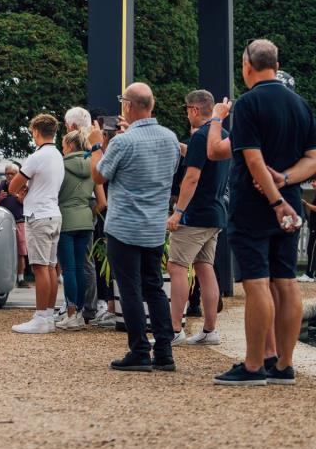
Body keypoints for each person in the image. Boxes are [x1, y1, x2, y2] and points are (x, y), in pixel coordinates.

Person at [208, 39, 316, 386]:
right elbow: (312, 160)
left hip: (255, 208)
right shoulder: (301, 106)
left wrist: (274, 199)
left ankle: (254, 364)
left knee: (257, 284)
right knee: (285, 283)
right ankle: (284, 364)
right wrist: (286, 183)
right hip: (291, 204)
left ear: (247, 66)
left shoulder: (248, 104)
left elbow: (253, 160)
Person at [88, 82, 180, 372]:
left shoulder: (121, 142)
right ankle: (164, 352)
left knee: (129, 289)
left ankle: (139, 350)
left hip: (124, 226)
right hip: (153, 226)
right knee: (154, 287)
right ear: (151, 105)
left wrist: (94, 145)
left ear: (128, 106)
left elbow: (100, 176)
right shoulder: (169, 138)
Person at [165, 90, 230, 346]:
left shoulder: (201, 136)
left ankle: (173, 330)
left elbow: (192, 177)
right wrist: (179, 147)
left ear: (193, 110)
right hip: (216, 212)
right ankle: (209, 330)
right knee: (205, 267)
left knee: (177, 266)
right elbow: (199, 155)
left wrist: (178, 212)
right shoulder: (221, 135)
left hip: (196, 214)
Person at [9, 114, 65, 334]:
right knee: (50, 267)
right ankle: (48, 315)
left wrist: (23, 192)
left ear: (35, 131)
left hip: (38, 216)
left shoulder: (37, 156)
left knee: (40, 268)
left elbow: (13, 186)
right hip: (53, 213)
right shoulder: (58, 155)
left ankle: (41, 316)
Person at [55, 130, 97, 330]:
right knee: (80, 268)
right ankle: (80, 313)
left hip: (65, 219)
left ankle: (71, 314)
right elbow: (100, 200)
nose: (62, 149)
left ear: (70, 146)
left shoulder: (60, 166)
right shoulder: (93, 165)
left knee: (69, 269)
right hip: (86, 220)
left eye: (63, 145)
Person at [0, 164, 28, 288]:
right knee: (3, 251)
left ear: (17, 174)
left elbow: (25, 202)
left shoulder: (23, 186)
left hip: (19, 222)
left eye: (12, 173)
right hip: (4, 223)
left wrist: (17, 196)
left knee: (21, 252)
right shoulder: (0, 187)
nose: (9, 176)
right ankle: (4, 277)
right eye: (7, 173)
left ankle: (21, 279)